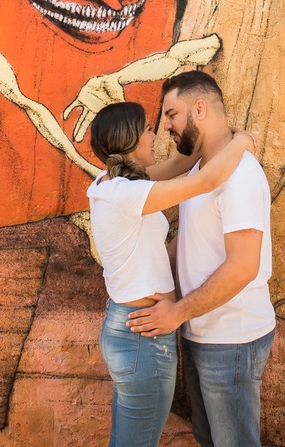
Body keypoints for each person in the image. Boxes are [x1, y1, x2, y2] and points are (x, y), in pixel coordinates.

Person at [87, 101, 256, 447]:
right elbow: (207, 180)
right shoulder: (127, 194)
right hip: (142, 335)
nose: (155, 135)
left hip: (132, 328)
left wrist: (221, 135)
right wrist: (243, 142)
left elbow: (183, 162)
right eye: (148, 129)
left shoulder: (113, 183)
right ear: (130, 139)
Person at [127, 71, 275, 447]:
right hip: (201, 331)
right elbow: (192, 242)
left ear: (199, 108)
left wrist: (177, 312)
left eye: (172, 115)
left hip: (232, 340)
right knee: (210, 440)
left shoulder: (240, 177)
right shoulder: (201, 170)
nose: (166, 128)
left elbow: (243, 266)